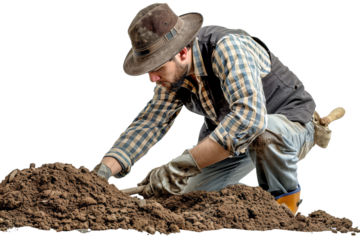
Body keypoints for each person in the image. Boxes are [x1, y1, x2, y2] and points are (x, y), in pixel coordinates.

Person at [92, 1, 329, 216]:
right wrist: (104, 170)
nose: (152, 78)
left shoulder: (228, 48)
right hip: (234, 142)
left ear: (182, 52)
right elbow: (150, 123)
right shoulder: (173, 76)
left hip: (286, 129)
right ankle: (245, 199)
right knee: (181, 198)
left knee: (264, 134)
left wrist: (179, 166)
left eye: (157, 67)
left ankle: (286, 210)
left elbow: (248, 121)